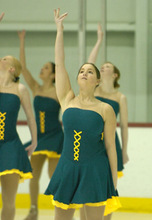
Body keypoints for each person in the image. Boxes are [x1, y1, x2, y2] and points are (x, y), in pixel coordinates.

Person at [44, 9, 121, 220]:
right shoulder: (67, 99)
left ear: (97, 80)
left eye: (89, 71)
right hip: (67, 167)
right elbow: (59, 63)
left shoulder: (105, 109)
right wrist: (59, 29)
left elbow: (110, 147)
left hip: (95, 170)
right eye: (81, 71)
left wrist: (113, 180)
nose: (84, 73)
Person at [79, 23, 129, 220]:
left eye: (107, 66)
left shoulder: (120, 97)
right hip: (90, 141)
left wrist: (124, 151)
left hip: (110, 142)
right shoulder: (95, 90)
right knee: (86, 183)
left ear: (114, 74)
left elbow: (124, 126)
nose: (102, 67)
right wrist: (99, 40)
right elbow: (89, 63)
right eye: (102, 66)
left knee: (107, 186)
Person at [17, 30, 64, 220]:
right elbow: (22, 68)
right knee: (33, 175)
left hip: (55, 138)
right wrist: (22, 41)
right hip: (40, 139)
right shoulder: (35, 88)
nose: (42, 70)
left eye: (46, 68)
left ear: (53, 75)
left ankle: (61, 209)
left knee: (55, 176)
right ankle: (34, 210)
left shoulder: (58, 92)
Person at [0, 12, 37, 220]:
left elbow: (31, 117)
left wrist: (35, 141)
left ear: (11, 68)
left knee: (9, 201)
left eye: (4, 58)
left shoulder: (20, 89)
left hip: (11, 146)